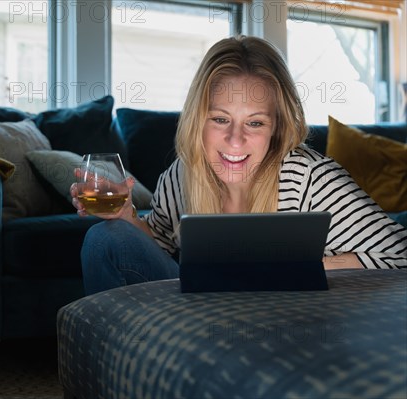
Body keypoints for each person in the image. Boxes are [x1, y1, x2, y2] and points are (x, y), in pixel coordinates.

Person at [70, 35, 407, 295]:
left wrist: (296, 268)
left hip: (280, 321)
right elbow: (157, 253)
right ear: (197, 120)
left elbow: (401, 258)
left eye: (255, 123)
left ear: (277, 127)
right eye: (220, 119)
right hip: (197, 316)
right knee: (105, 237)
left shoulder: (313, 179)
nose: (234, 140)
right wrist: (126, 216)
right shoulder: (181, 175)